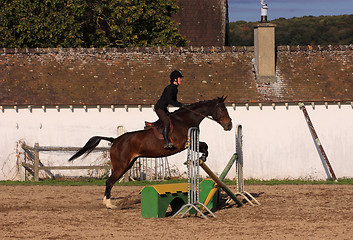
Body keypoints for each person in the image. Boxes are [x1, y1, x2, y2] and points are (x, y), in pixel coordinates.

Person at [155, 70, 184, 149]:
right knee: (166, 121)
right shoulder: (171, 88)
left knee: (172, 118)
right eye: (180, 78)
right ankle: (166, 142)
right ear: (175, 79)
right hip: (159, 108)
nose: (181, 79)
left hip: (163, 108)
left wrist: (181, 105)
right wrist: (180, 105)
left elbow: (174, 101)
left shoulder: (175, 88)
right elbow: (170, 101)